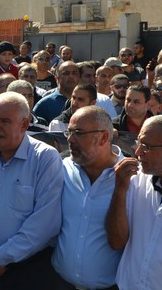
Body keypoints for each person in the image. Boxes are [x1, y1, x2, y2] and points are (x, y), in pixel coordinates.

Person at [0, 92, 63, 289]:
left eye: (5, 121)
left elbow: (46, 222)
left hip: (28, 271)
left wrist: (4, 256)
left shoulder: (45, 158)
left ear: (24, 124)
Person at [106, 115, 162, 289]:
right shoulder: (134, 179)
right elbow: (116, 242)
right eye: (139, 143)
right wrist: (119, 190)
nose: (137, 152)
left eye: (147, 147)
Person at [51, 106, 125, 289]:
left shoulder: (134, 180)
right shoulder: (62, 168)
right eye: (68, 132)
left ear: (103, 137)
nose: (69, 139)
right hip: (58, 282)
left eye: (78, 133)